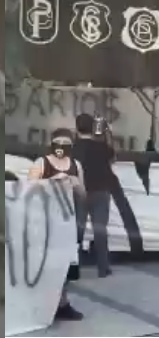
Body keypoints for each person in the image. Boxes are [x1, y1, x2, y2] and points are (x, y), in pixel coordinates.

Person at [29, 128, 87, 321]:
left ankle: (62, 303)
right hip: (46, 220)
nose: (61, 147)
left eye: (65, 143)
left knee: (66, 265)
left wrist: (75, 182)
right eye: (58, 142)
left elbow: (83, 195)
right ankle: (44, 305)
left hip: (67, 221)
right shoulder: (42, 163)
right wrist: (51, 181)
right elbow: (28, 189)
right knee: (46, 264)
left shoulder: (75, 165)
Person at [73, 113, 116, 278]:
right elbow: (113, 158)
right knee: (100, 230)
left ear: (76, 128)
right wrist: (107, 134)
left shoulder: (72, 148)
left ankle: (73, 266)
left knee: (77, 229)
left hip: (80, 192)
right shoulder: (101, 146)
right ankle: (103, 268)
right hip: (101, 192)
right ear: (93, 128)